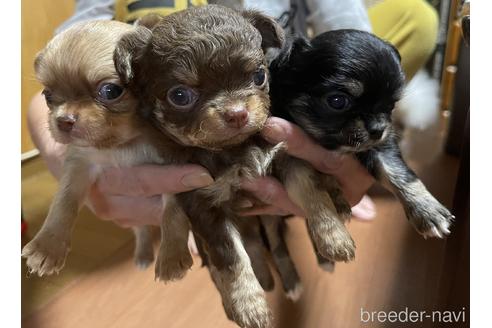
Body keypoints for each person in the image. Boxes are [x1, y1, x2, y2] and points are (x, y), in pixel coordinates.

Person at [27, 0, 437, 230]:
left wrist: (346, 128)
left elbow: (351, 34)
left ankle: (311, 160)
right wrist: (62, 147)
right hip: (169, 133)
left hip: (282, 93)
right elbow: (64, 61)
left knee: (416, 17)